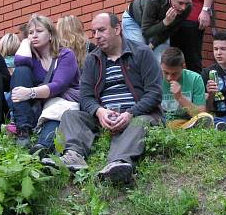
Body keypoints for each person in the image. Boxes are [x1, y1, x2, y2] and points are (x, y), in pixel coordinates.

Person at [44, 13, 163, 184]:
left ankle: (118, 163)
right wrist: (99, 112)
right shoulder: (93, 59)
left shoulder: (142, 53)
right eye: (93, 32)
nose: (96, 36)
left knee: (141, 122)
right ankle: (74, 156)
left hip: (137, 114)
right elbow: (85, 97)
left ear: (117, 29)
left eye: (101, 30)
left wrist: (130, 113)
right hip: (104, 116)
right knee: (70, 115)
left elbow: (154, 93)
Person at [11, 14, 80, 155]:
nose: (34, 36)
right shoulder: (32, 58)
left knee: (55, 110)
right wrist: (24, 42)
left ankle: (43, 146)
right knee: (21, 71)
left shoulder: (66, 55)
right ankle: (23, 129)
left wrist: (30, 92)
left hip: (64, 102)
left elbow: (59, 85)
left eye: (39, 31)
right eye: (30, 33)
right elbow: (20, 63)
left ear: (50, 34)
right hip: (41, 105)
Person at [121, 0, 193, 64]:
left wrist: (153, 44)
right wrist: (165, 22)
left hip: (158, 26)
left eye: (186, 3)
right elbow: (146, 32)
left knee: (161, 60)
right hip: (134, 21)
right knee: (140, 57)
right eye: (180, 3)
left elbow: (171, 31)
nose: (183, 8)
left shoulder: (188, 8)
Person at [160, 47, 212, 129]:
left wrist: (180, 97)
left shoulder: (195, 79)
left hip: (188, 120)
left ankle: (184, 128)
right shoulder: (155, 78)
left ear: (183, 66)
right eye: (165, 73)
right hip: (162, 122)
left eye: (174, 74)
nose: (169, 77)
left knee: (205, 116)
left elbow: (200, 114)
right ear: (160, 66)